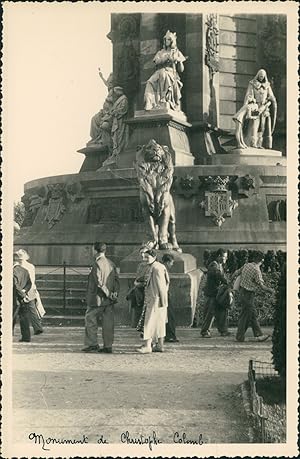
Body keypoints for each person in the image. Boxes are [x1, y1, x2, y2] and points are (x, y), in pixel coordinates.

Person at [82, 242, 119, 353]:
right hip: (109, 300)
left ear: (94, 250)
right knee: (108, 322)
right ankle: (108, 345)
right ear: (105, 250)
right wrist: (114, 293)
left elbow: (99, 283)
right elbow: (117, 280)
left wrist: (108, 294)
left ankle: (92, 343)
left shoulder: (96, 264)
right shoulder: (111, 263)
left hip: (97, 298)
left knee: (90, 319)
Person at [234, 251, 273, 342]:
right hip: (249, 295)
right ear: (261, 261)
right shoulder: (256, 270)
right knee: (247, 315)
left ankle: (255, 335)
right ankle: (244, 336)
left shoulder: (247, 265)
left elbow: (236, 273)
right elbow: (262, 286)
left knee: (251, 315)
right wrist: (271, 291)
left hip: (242, 292)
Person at [234, 69, 277, 149]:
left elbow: (271, 99)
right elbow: (248, 95)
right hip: (255, 108)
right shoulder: (252, 84)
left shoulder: (267, 86)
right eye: (260, 76)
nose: (261, 78)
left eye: (262, 76)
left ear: (264, 77)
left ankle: (260, 144)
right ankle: (253, 143)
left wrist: (266, 105)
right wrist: (252, 102)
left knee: (262, 127)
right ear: (258, 75)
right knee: (254, 126)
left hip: (264, 109)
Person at [144, 30, 186, 111]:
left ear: (172, 41)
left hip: (171, 73)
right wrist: (165, 58)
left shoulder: (176, 52)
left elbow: (181, 70)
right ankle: (150, 102)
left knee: (164, 75)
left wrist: (179, 61)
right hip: (160, 72)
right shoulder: (161, 52)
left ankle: (164, 99)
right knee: (149, 82)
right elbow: (156, 62)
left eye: (169, 39)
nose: (167, 41)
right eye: (166, 39)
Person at [138, 248, 169, 353]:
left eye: (147, 257)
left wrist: (163, 302)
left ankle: (147, 346)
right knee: (159, 323)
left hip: (155, 299)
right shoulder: (155, 266)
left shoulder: (156, 268)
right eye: (144, 257)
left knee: (149, 322)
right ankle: (160, 345)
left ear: (154, 257)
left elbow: (162, 286)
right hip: (157, 299)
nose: (145, 259)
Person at [200, 249, 231, 338]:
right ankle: (205, 331)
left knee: (221, 312)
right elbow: (219, 276)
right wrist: (226, 282)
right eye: (224, 257)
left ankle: (223, 330)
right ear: (219, 256)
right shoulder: (214, 265)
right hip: (212, 293)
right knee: (210, 313)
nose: (226, 259)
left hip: (217, 293)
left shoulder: (220, 265)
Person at [16, 249, 44, 335]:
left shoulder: (25, 267)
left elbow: (31, 279)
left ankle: (37, 328)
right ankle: (37, 327)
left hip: (25, 289)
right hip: (26, 289)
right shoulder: (27, 266)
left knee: (28, 309)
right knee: (31, 309)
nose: (21, 260)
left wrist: (24, 290)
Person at [13, 252, 34, 342]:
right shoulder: (25, 270)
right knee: (24, 318)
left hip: (15, 298)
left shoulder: (13, 271)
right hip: (24, 297)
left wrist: (21, 294)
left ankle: (8, 336)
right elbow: (29, 283)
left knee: (12, 318)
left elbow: (15, 285)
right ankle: (26, 337)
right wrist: (24, 292)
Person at [162, 253, 179, 343]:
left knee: (169, 316)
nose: (172, 265)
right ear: (167, 262)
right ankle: (170, 335)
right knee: (170, 316)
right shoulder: (162, 269)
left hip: (165, 294)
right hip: (164, 296)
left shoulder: (163, 269)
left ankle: (169, 335)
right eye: (171, 262)